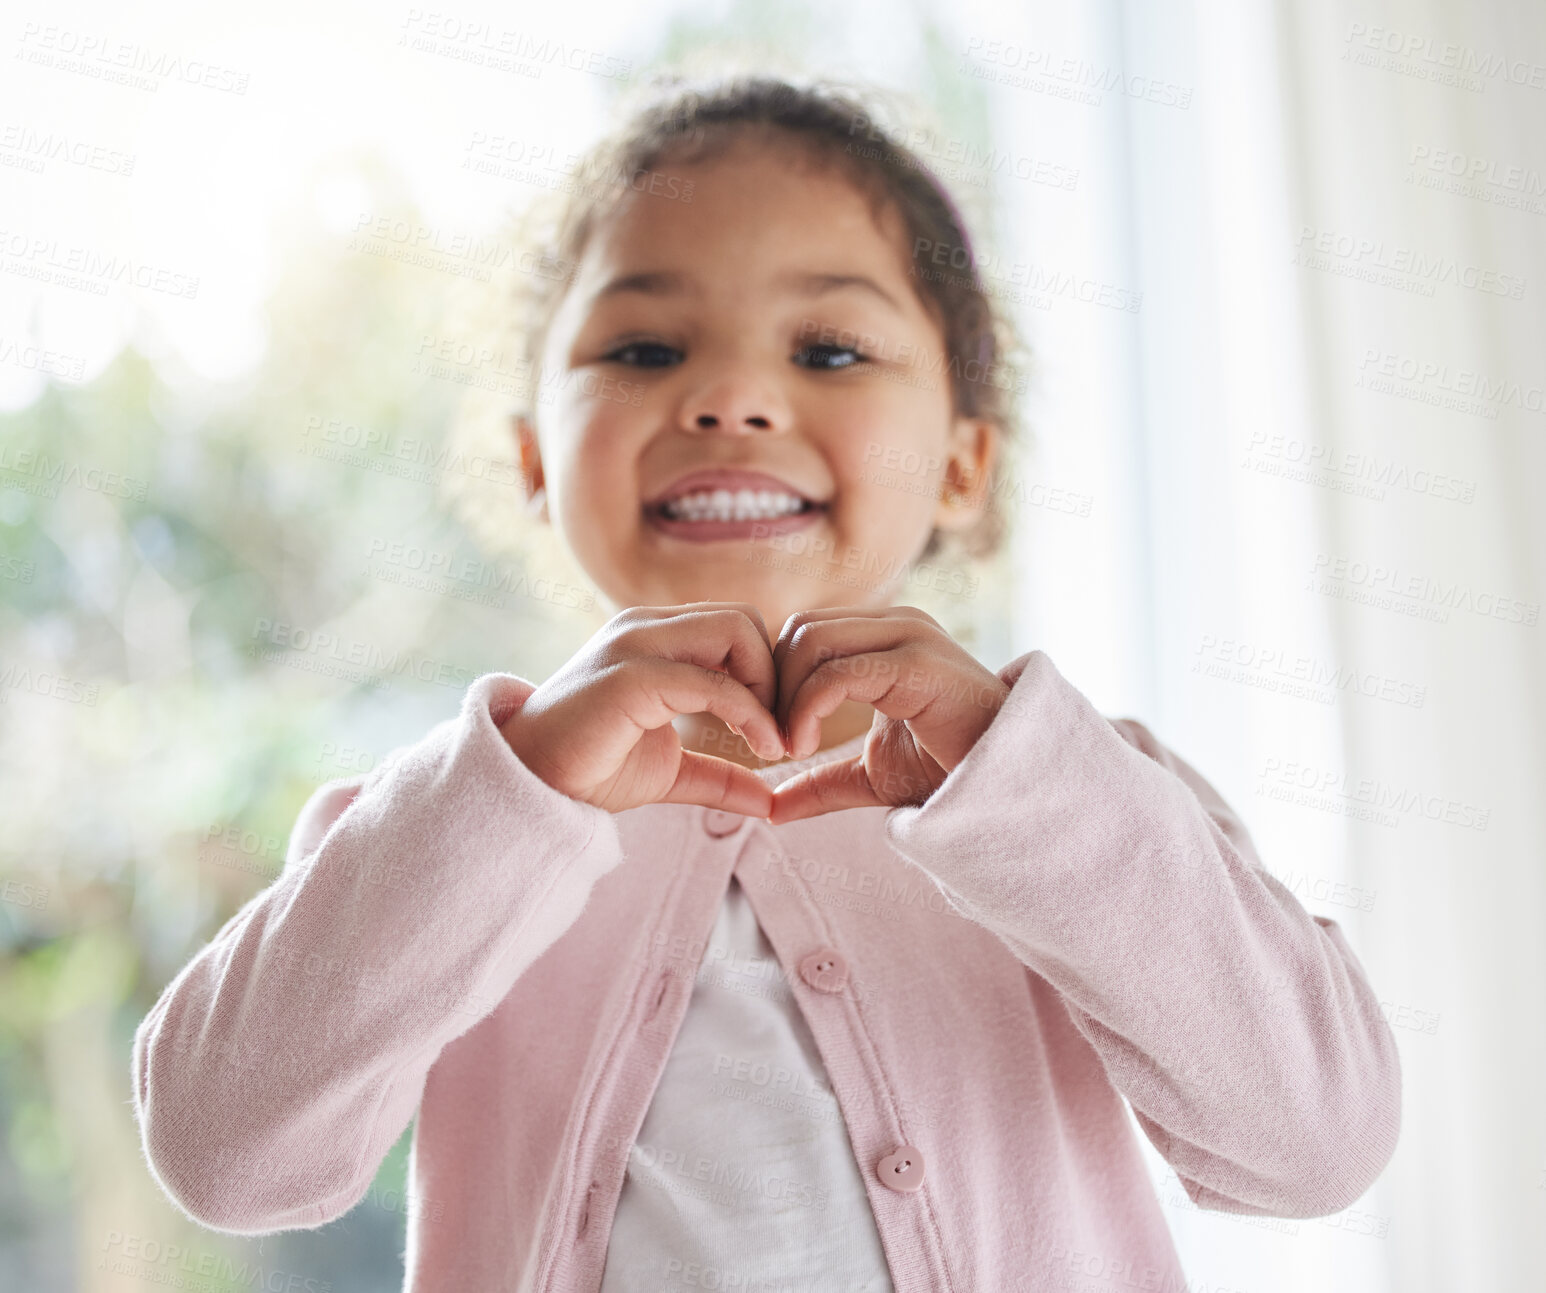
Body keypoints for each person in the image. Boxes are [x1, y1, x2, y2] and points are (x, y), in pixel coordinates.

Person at [131, 75, 1402, 1292]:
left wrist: (1030, 782)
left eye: (831, 351)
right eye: (640, 346)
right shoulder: (445, 826)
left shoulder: (1079, 794)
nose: (732, 398)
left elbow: (1312, 1149)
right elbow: (232, 1163)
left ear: (963, 464)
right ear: (532, 458)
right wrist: (515, 796)